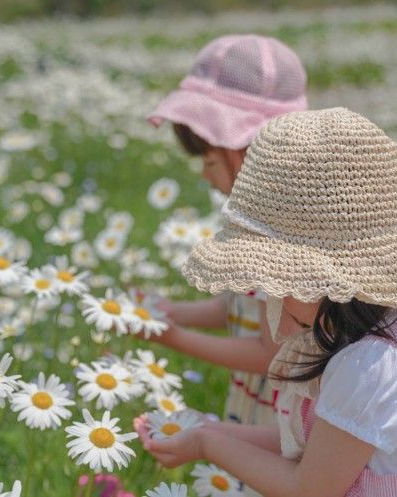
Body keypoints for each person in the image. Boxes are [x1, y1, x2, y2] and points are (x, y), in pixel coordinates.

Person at [136, 108, 397, 497]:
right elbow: (321, 448)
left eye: (280, 281)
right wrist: (205, 428)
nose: (272, 297)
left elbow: (306, 487)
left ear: (323, 282)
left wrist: (206, 445)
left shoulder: (370, 367)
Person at [146, 34, 308, 440]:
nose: (204, 175)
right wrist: (170, 311)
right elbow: (239, 307)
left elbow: (270, 355)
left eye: (210, 160)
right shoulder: (256, 219)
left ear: (250, 149)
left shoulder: (285, 237)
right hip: (255, 406)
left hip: (282, 419)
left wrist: (175, 338)